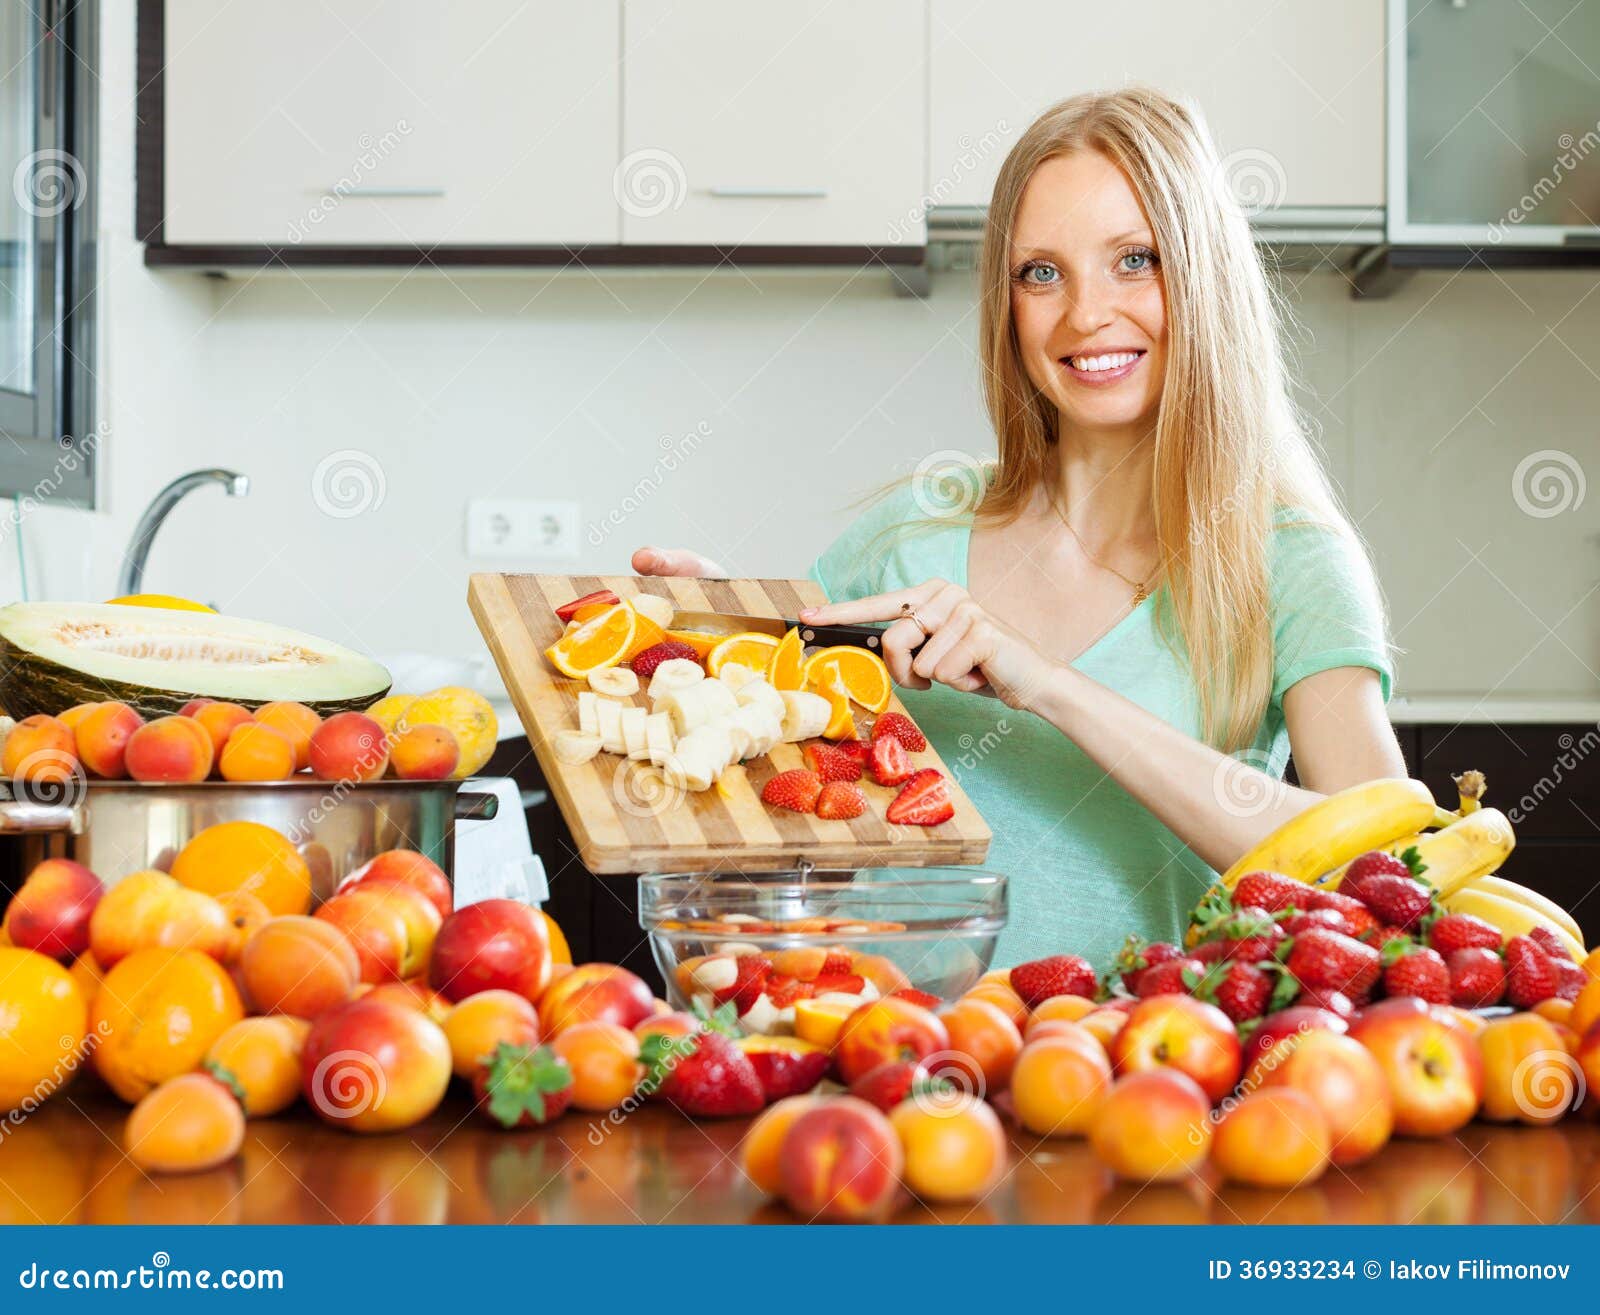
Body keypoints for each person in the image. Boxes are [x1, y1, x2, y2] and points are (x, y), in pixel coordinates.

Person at [633, 88, 1402, 969]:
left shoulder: (1290, 561)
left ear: (1204, 277)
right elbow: (785, 739)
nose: (1084, 314)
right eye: (1042, 272)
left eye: (1135, 259)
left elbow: (1376, 874)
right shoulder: (911, 534)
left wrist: (1045, 683)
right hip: (890, 1073)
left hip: (1144, 1084)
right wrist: (709, 641)